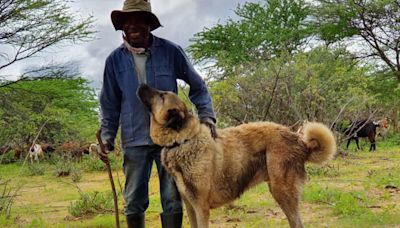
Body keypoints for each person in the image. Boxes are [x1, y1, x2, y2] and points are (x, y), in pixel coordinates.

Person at [99, 0, 217, 227]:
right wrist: (107, 137)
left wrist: (207, 117)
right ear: (122, 26)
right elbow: (110, 103)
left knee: (173, 199)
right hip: (135, 139)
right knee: (133, 199)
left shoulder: (171, 52)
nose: (132, 25)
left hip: (171, 140)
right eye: (127, 21)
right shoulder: (114, 61)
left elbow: (198, 86)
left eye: (139, 20)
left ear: (149, 25)